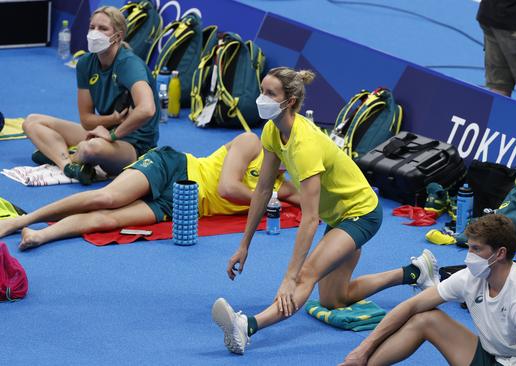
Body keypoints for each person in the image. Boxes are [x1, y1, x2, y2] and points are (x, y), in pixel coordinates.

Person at [211, 67, 440, 355]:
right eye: (262, 91)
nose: (261, 98)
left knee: (306, 274)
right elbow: (262, 190)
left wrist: (289, 277)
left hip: (361, 214)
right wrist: (244, 245)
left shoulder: (304, 146)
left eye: (270, 94)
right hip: (339, 215)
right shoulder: (272, 130)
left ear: (290, 101)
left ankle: (247, 327)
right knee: (335, 298)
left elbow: (309, 219)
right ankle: (415, 272)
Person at [0, 133, 298, 251]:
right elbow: (228, 188)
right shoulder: (251, 143)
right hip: (173, 167)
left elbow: (316, 198)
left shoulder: (282, 185)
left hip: (182, 204)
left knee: (108, 220)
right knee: (107, 198)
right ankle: (21, 221)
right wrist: (270, 198)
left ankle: (39, 235)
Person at [341, 214, 516, 366]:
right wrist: (363, 350)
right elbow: (411, 306)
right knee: (425, 319)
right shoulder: (471, 277)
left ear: (500, 253)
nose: (469, 256)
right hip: (494, 355)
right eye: (469, 247)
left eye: (476, 249)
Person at [23, 6, 160, 185]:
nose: (95, 33)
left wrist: (112, 135)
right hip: (102, 131)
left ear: (117, 36)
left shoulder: (129, 65)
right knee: (32, 122)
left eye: (103, 29)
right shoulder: (86, 64)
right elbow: (86, 120)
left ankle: (62, 155)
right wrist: (112, 119)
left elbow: (147, 109)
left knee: (90, 148)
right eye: (92, 27)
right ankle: (69, 166)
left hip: (134, 145)